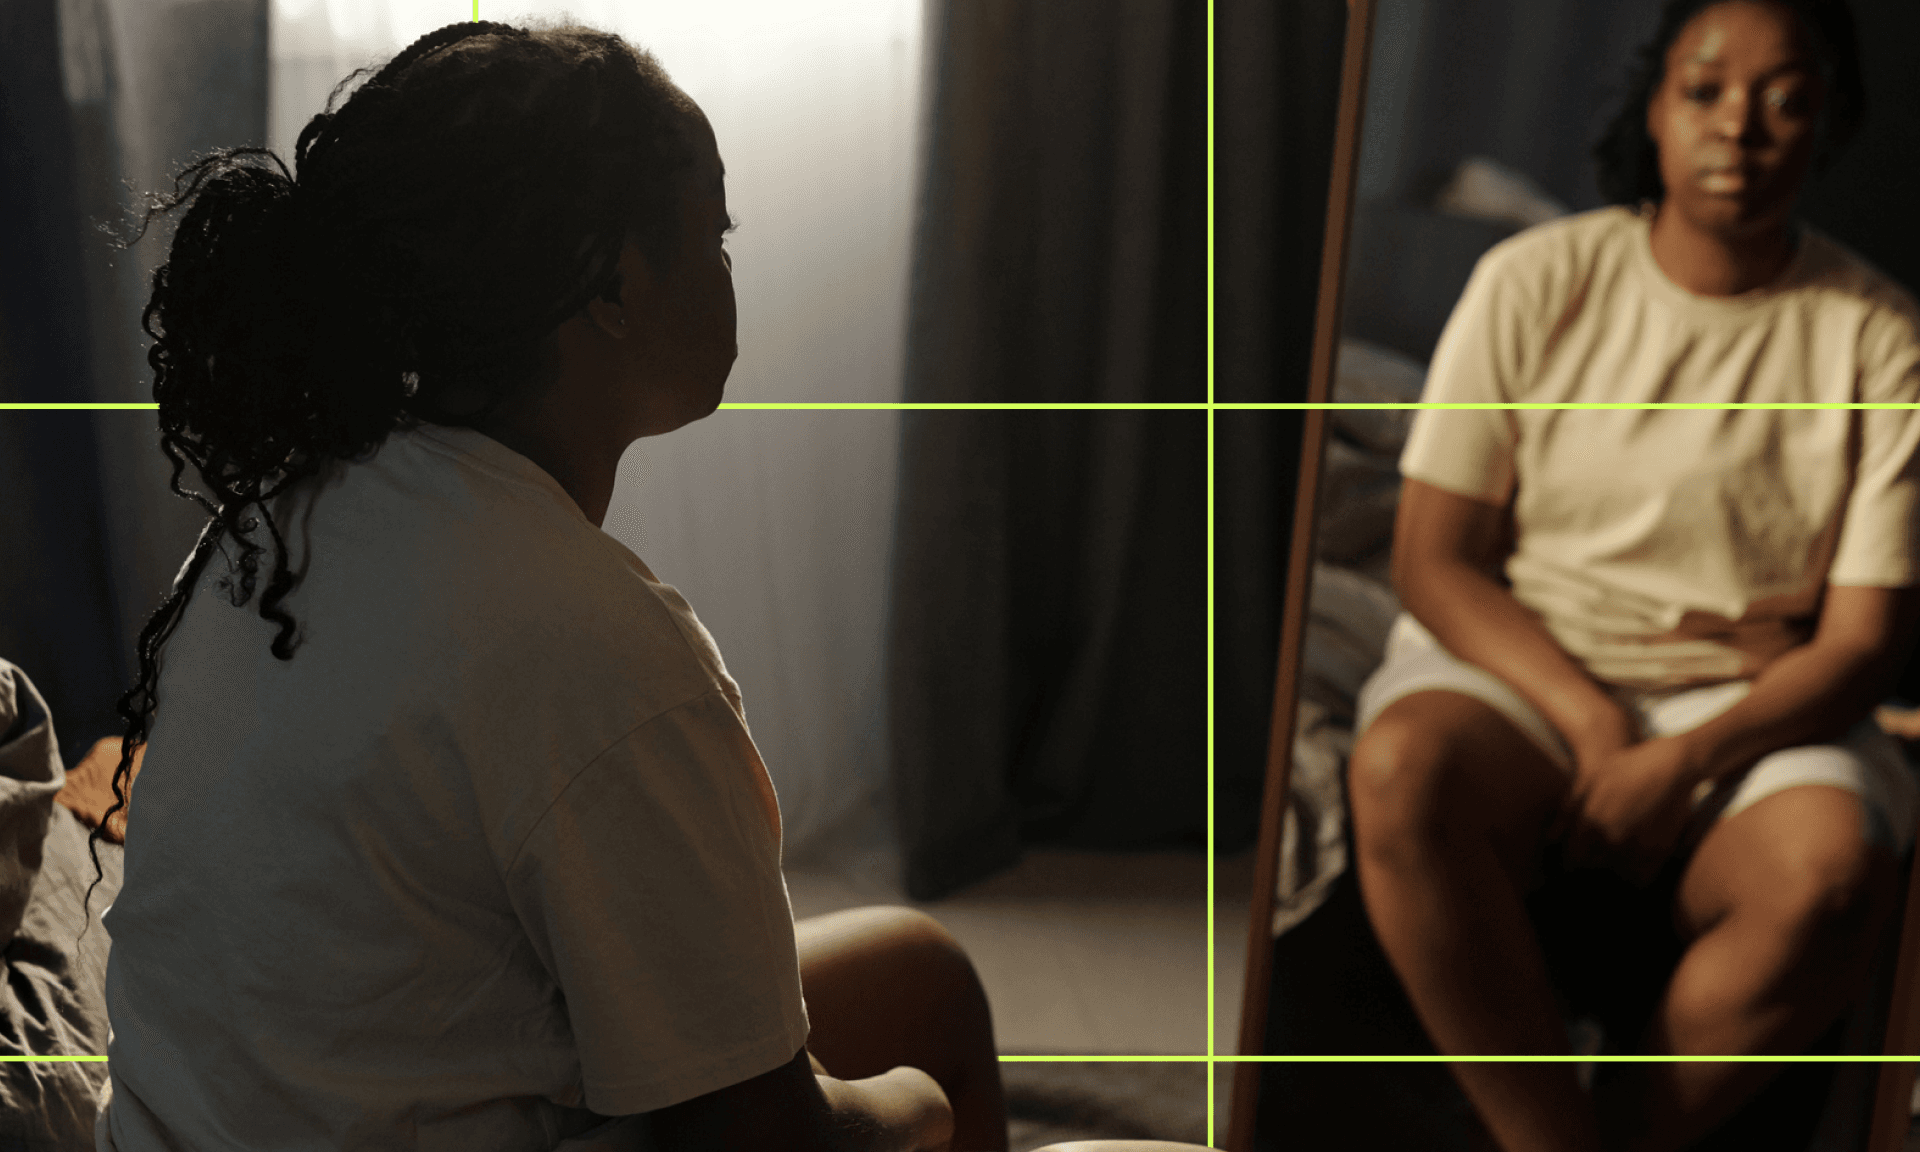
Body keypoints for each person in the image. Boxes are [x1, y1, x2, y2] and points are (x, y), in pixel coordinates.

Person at [78, 20, 1008, 1152]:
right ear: (613, 284)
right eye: (714, 234)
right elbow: (765, 1142)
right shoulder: (594, 648)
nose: (727, 265)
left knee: (924, 974)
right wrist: (925, 1106)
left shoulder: (273, 535)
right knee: (927, 1074)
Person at [1342, 1, 1920, 1151]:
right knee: (1399, 769)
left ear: (1828, 123)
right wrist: (1595, 723)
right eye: (1705, 91)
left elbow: (1863, 649)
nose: (1740, 129)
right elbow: (1433, 560)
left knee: (1831, 874)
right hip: (1533, 667)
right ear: (1655, 108)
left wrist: (1686, 759)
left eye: (1784, 97)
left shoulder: (1880, 337)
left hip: (1750, 704)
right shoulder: (1533, 278)